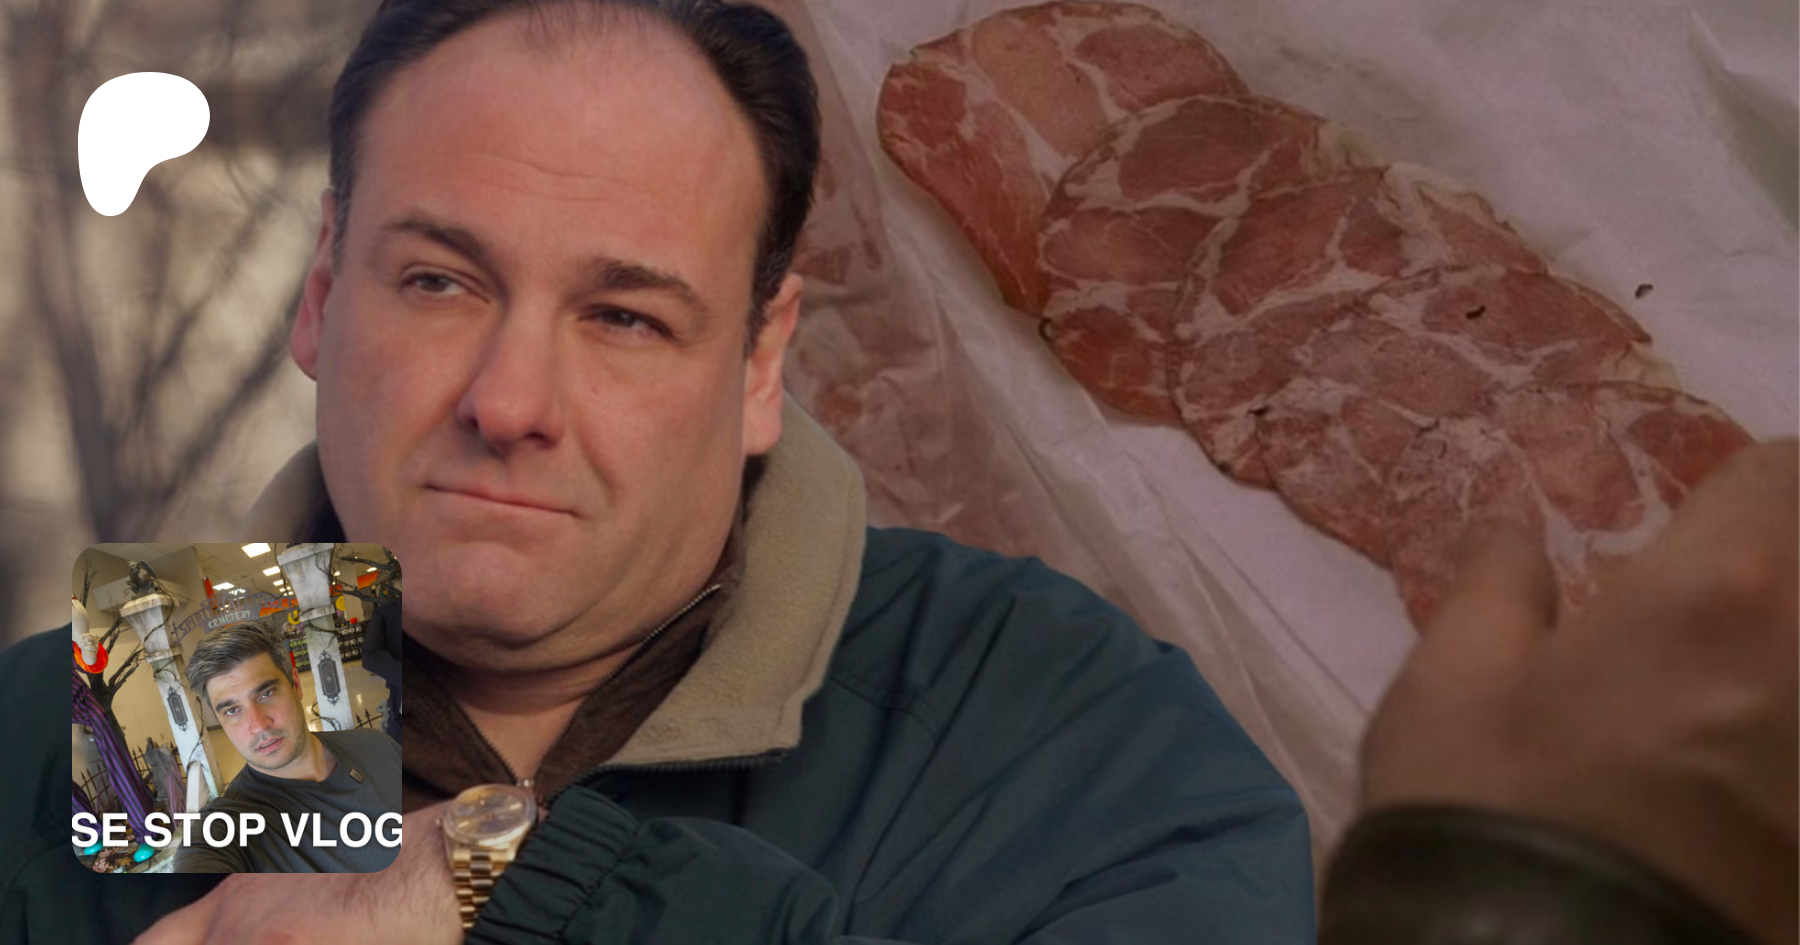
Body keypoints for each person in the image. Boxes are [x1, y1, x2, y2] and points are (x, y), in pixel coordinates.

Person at [0, 0, 1789, 942]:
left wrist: (509, 893)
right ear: (323, 294)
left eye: (625, 318)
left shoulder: (1073, 736)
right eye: (440, 282)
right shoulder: (82, 725)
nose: (511, 399)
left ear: (761, 364)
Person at [170, 621, 403, 873]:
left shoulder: (377, 746)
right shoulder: (226, 829)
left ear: (296, 684)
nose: (258, 725)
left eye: (266, 694)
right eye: (232, 710)